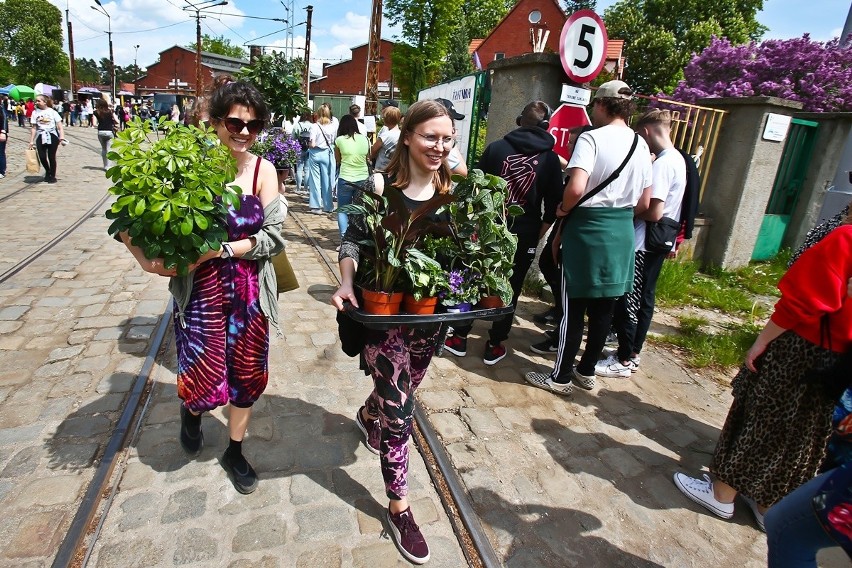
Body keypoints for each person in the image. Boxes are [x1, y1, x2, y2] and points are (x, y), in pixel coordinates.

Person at [118, 80, 285, 494]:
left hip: (249, 296)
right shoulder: (188, 168)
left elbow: (274, 239)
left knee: (247, 375)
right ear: (214, 122)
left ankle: (234, 450)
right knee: (201, 367)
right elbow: (126, 219)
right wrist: (146, 260)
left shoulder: (263, 171)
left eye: (254, 124)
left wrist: (222, 251)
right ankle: (191, 412)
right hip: (202, 296)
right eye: (235, 122)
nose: (244, 132)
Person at [331, 99, 456, 565]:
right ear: (407, 136)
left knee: (398, 396)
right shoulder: (380, 187)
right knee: (401, 414)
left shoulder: (454, 193)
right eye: (430, 136)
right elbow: (352, 241)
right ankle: (399, 506)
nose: (439, 147)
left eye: (447, 139)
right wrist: (346, 282)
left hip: (427, 319)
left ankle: (369, 415)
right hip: (384, 319)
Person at [672, 223, 852, 531]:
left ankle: (723, 493)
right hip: (839, 357)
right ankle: (768, 503)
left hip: (803, 346)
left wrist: (762, 341)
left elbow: (803, 301)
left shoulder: (846, 237)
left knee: (764, 416)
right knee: (802, 431)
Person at [524, 80, 652, 396]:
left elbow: (577, 187)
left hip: (587, 231)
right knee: (604, 309)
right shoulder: (641, 145)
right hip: (622, 232)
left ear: (603, 105)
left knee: (573, 307)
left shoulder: (592, 138)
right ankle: (586, 371)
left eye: (595, 104)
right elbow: (645, 205)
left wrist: (565, 210)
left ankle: (561, 377)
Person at [444, 100, 562, 365]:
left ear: (520, 121)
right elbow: (555, 203)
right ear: (546, 127)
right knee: (512, 285)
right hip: (525, 231)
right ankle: (495, 343)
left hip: (487, 228)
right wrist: (539, 231)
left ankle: (460, 336)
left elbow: (476, 189)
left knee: (476, 274)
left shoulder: (496, 149)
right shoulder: (550, 159)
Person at [595, 108, 687, 378]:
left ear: (645, 132)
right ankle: (632, 352)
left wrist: (623, 211)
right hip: (657, 242)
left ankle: (625, 359)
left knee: (628, 302)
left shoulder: (663, 164)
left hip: (644, 244)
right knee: (644, 299)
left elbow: (653, 210)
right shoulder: (677, 159)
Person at [334, 114, 370, 240]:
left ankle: (345, 239)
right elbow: (368, 157)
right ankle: (358, 238)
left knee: (343, 209)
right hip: (363, 178)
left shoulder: (339, 140)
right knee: (359, 209)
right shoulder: (365, 139)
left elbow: (337, 160)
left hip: (346, 177)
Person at [306, 104, 337, 214]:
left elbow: (313, 144)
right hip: (327, 154)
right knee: (327, 180)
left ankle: (316, 206)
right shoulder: (332, 127)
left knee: (315, 180)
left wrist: (309, 143)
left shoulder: (314, 126)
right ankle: (328, 206)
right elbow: (333, 141)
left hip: (315, 153)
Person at [29, 95, 66, 183]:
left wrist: (62, 137)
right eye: (36, 101)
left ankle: (52, 175)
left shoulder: (52, 112)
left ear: (44, 102)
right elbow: (34, 127)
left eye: (38, 101)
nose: (36, 102)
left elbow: (60, 126)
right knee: (42, 156)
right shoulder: (35, 112)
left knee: (51, 156)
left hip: (52, 135)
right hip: (40, 135)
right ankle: (47, 170)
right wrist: (31, 141)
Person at [371, 104, 401, 172]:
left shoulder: (385, 135)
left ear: (386, 119)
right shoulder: (401, 134)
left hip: (381, 170)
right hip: (395, 170)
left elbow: (373, 151)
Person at [292, 110, 313, 193]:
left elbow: (293, 137)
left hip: (299, 148)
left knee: (299, 169)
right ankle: (306, 188)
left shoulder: (297, 125)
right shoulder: (312, 125)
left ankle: (298, 188)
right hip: (309, 148)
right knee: (307, 169)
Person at [94, 99, 119, 170]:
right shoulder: (110, 112)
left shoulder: (96, 112)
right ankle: (108, 166)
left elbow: (94, 124)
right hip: (109, 132)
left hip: (100, 132)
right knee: (109, 150)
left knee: (104, 149)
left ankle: (105, 165)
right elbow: (117, 121)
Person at [0, 101, 7, 179]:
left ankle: (1, 171)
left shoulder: (1, 107)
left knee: (0, 152)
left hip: (1, 133)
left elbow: (5, 118)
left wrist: (3, 131)